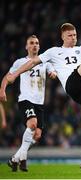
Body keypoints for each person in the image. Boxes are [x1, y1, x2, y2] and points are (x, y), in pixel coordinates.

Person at [4, 13, 81, 174]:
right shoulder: (53, 52)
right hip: (72, 83)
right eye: (70, 35)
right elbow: (32, 62)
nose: (73, 38)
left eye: (75, 35)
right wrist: (15, 74)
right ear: (63, 36)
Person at [0, 35, 57, 172]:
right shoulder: (20, 62)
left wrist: (53, 74)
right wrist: (2, 90)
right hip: (25, 99)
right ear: (26, 47)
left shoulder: (45, 62)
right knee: (32, 124)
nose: (34, 45)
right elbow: (7, 77)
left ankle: (14, 159)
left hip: (39, 102)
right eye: (31, 43)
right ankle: (23, 159)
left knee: (37, 135)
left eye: (37, 43)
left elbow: (53, 71)